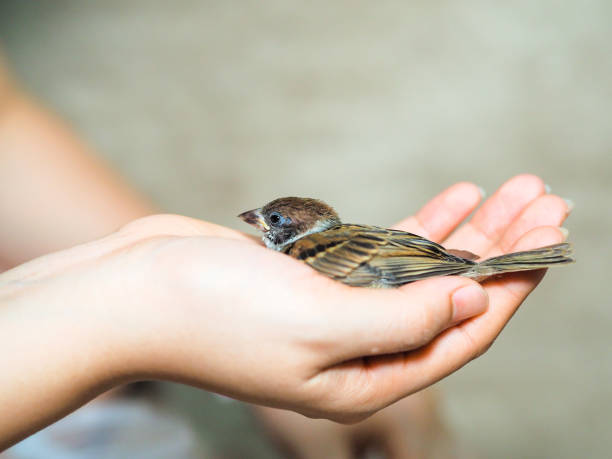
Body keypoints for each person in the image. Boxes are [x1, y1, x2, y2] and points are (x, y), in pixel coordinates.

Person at [0, 54, 571, 455]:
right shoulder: (321, 244)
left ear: (294, 230)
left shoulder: (316, 251)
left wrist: (454, 268)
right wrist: (151, 308)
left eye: (269, 220)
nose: (255, 221)